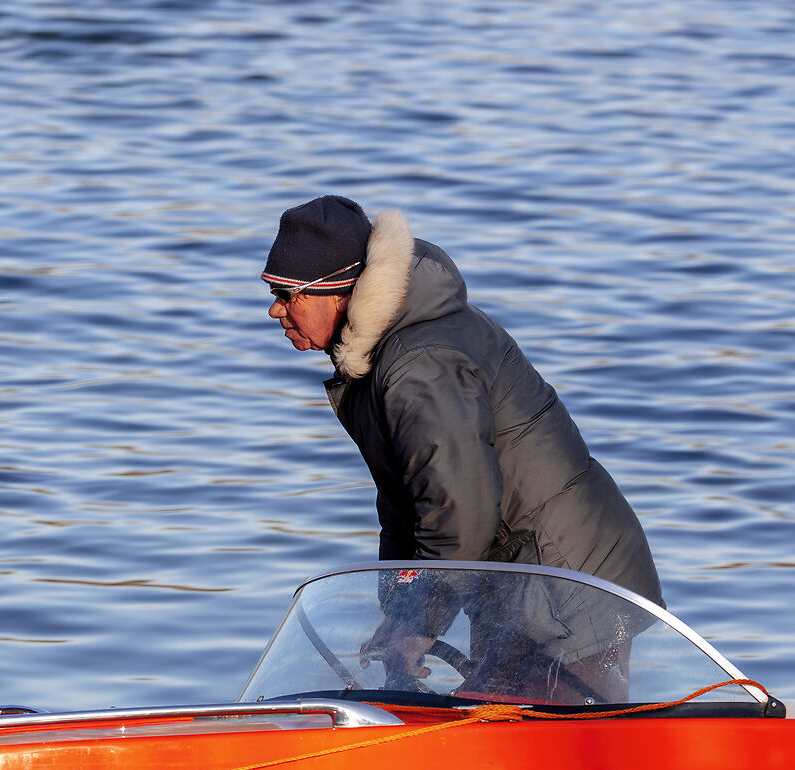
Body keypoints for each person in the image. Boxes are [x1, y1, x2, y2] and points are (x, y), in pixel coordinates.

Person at [262, 195, 662, 702]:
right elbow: (407, 505)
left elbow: (459, 511)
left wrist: (419, 626)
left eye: (285, 292)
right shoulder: (380, 359)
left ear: (336, 290)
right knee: (490, 725)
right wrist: (400, 616)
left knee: (541, 753)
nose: (274, 309)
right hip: (517, 581)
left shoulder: (418, 367)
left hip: (566, 584)